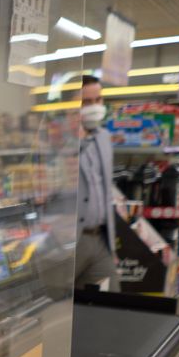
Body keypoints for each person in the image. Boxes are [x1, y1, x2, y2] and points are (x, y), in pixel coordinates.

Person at [74, 74, 119, 290]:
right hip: (70, 240)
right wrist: (76, 139)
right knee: (55, 309)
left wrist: (113, 246)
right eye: (87, 102)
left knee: (111, 303)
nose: (95, 106)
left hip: (99, 238)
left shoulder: (104, 137)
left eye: (98, 100)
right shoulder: (57, 139)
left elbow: (105, 186)